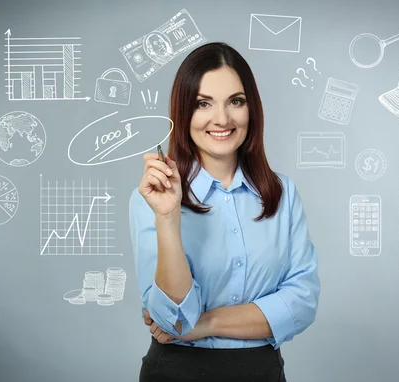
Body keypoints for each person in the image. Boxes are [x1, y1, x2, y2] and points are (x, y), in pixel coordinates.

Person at [129, 42, 321, 382]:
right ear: (183, 112)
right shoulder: (153, 197)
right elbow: (171, 320)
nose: (222, 119)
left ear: (252, 109)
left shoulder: (282, 193)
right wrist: (168, 218)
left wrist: (204, 323)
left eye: (236, 101)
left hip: (261, 373)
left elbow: (301, 303)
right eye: (203, 103)